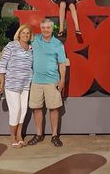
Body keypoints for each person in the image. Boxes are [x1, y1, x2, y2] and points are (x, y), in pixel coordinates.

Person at [27, 19, 67, 147]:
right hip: (36, 81)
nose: (45, 30)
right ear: (40, 28)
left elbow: (62, 64)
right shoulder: (35, 40)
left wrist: (62, 80)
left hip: (52, 81)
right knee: (36, 108)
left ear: (52, 29)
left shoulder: (58, 45)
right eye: (43, 28)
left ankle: (54, 135)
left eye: (48, 28)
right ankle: (39, 134)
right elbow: (22, 38)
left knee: (54, 109)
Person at [0, 24, 33, 148]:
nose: (26, 35)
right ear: (19, 34)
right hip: (12, 84)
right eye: (23, 33)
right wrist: (2, 83)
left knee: (23, 110)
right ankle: (12, 136)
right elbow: (2, 65)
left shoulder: (31, 48)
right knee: (15, 110)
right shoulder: (11, 45)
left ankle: (19, 134)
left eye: (28, 33)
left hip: (26, 84)